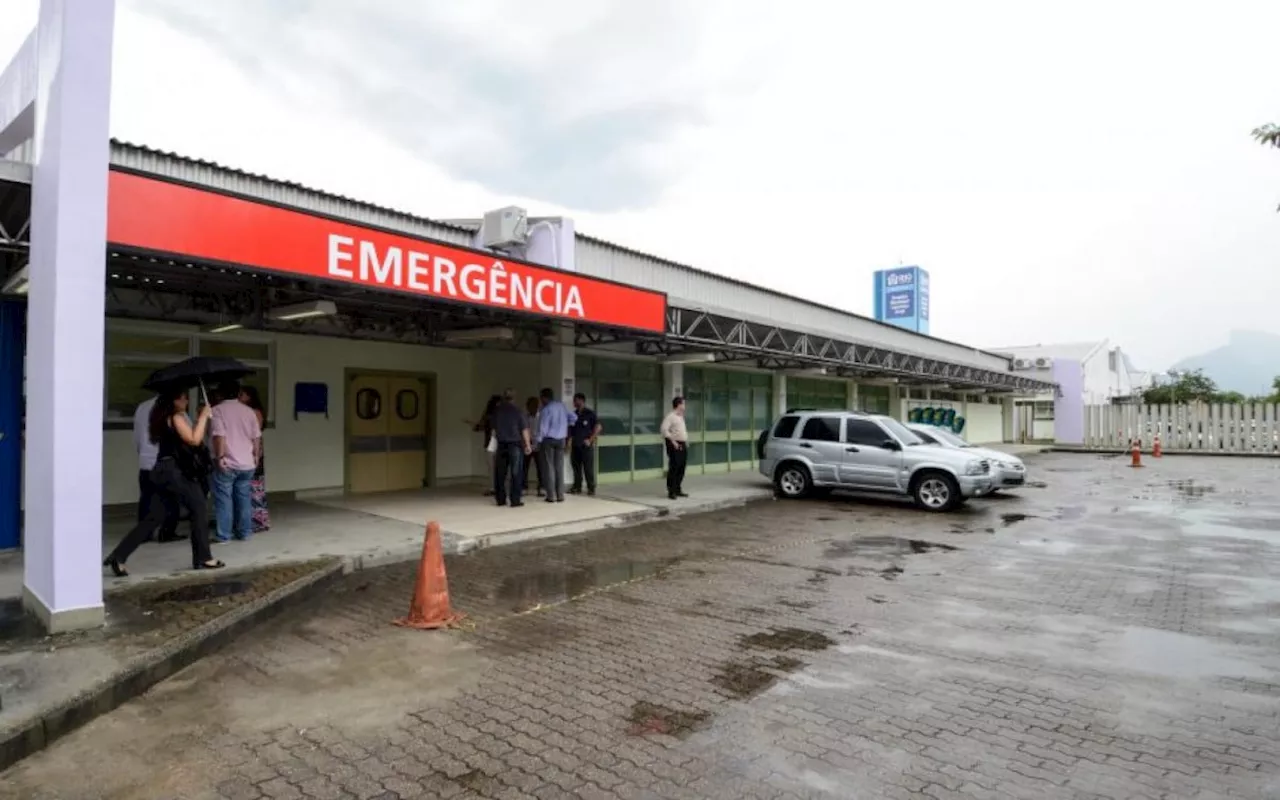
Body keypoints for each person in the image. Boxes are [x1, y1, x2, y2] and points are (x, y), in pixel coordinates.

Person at [104, 387, 225, 575]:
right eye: (183, 398)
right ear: (173, 401)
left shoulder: (158, 417)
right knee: (199, 506)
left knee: (155, 516)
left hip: (160, 470)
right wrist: (203, 417)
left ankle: (119, 556)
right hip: (175, 472)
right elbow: (194, 439)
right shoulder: (175, 417)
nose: (186, 401)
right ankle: (204, 557)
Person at [210, 380, 262, 542]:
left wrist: (220, 457)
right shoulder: (249, 411)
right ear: (238, 392)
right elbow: (256, 436)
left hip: (228, 462)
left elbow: (219, 436)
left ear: (220, 394)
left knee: (224, 500)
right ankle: (245, 532)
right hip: (247, 462)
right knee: (244, 499)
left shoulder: (217, 410)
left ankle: (224, 535)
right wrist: (256, 455)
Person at [132, 394, 181, 543]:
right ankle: (167, 532)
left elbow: (137, 434)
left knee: (146, 498)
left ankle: (144, 533)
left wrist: (140, 452)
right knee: (171, 498)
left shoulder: (142, 406)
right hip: (165, 462)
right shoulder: (172, 409)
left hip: (146, 460)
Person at [491, 389, 533, 507]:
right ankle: (515, 500)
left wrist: (493, 444)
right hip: (515, 444)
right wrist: (528, 445)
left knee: (500, 473)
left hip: (501, 444)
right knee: (516, 473)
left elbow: (494, 429)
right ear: (514, 397)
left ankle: (500, 499)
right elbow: (524, 429)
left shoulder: (497, 411)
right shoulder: (518, 411)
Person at [239, 385, 270, 532]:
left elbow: (255, 434)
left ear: (249, 397)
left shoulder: (255, 412)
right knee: (249, 487)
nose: (240, 397)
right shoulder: (246, 411)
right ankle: (250, 520)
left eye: (242, 394)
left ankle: (259, 521)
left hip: (254, 452)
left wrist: (254, 453)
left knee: (256, 487)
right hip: (248, 452)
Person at [537, 387, 573, 503]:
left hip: (549, 440)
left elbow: (543, 428)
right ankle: (560, 495)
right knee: (559, 467)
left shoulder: (546, 410)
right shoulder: (561, 406)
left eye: (541, 398)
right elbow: (574, 417)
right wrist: (566, 425)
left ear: (545, 398)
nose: (541, 401)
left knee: (549, 467)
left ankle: (551, 496)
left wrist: (538, 441)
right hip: (561, 439)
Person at [466, 395, 501, 496]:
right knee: (496, 467)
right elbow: (480, 427)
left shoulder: (488, 415)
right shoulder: (498, 415)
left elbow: (479, 427)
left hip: (491, 442)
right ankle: (495, 487)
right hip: (497, 441)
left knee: (492, 467)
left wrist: (472, 423)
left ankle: (493, 487)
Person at [568, 392, 601, 496]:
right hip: (575, 445)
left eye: (575, 400)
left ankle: (591, 488)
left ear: (581, 400)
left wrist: (590, 440)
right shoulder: (574, 414)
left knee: (588, 468)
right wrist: (568, 443)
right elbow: (571, 430)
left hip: (586, 445)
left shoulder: (590, 413)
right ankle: (577, 487)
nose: (574, 402)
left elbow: (598, 427)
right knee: (576, 468)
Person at [661, 396, 689, 500]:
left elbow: (681, 430)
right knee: (674, 467)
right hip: (674, 444)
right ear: (679, 404)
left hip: (682, 443)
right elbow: (664, 430)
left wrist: (686, 440)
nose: (685, 406)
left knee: (682, 467)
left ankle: (678, 489)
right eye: (683, 403)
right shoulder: (671, 416)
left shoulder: (681, 416)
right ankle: (671, 491)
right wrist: (673, 442)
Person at [523, 396, 545, 496]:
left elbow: (542, 431)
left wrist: (537, 444)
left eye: (531, 407)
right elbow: (524, 430)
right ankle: (523, 486)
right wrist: (528, 443)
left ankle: (541, 487)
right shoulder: (526, 417)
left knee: (540, 467)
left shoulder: (541, 417)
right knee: (524, 467)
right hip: (528, 443)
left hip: (539, 444)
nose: (529, 409)